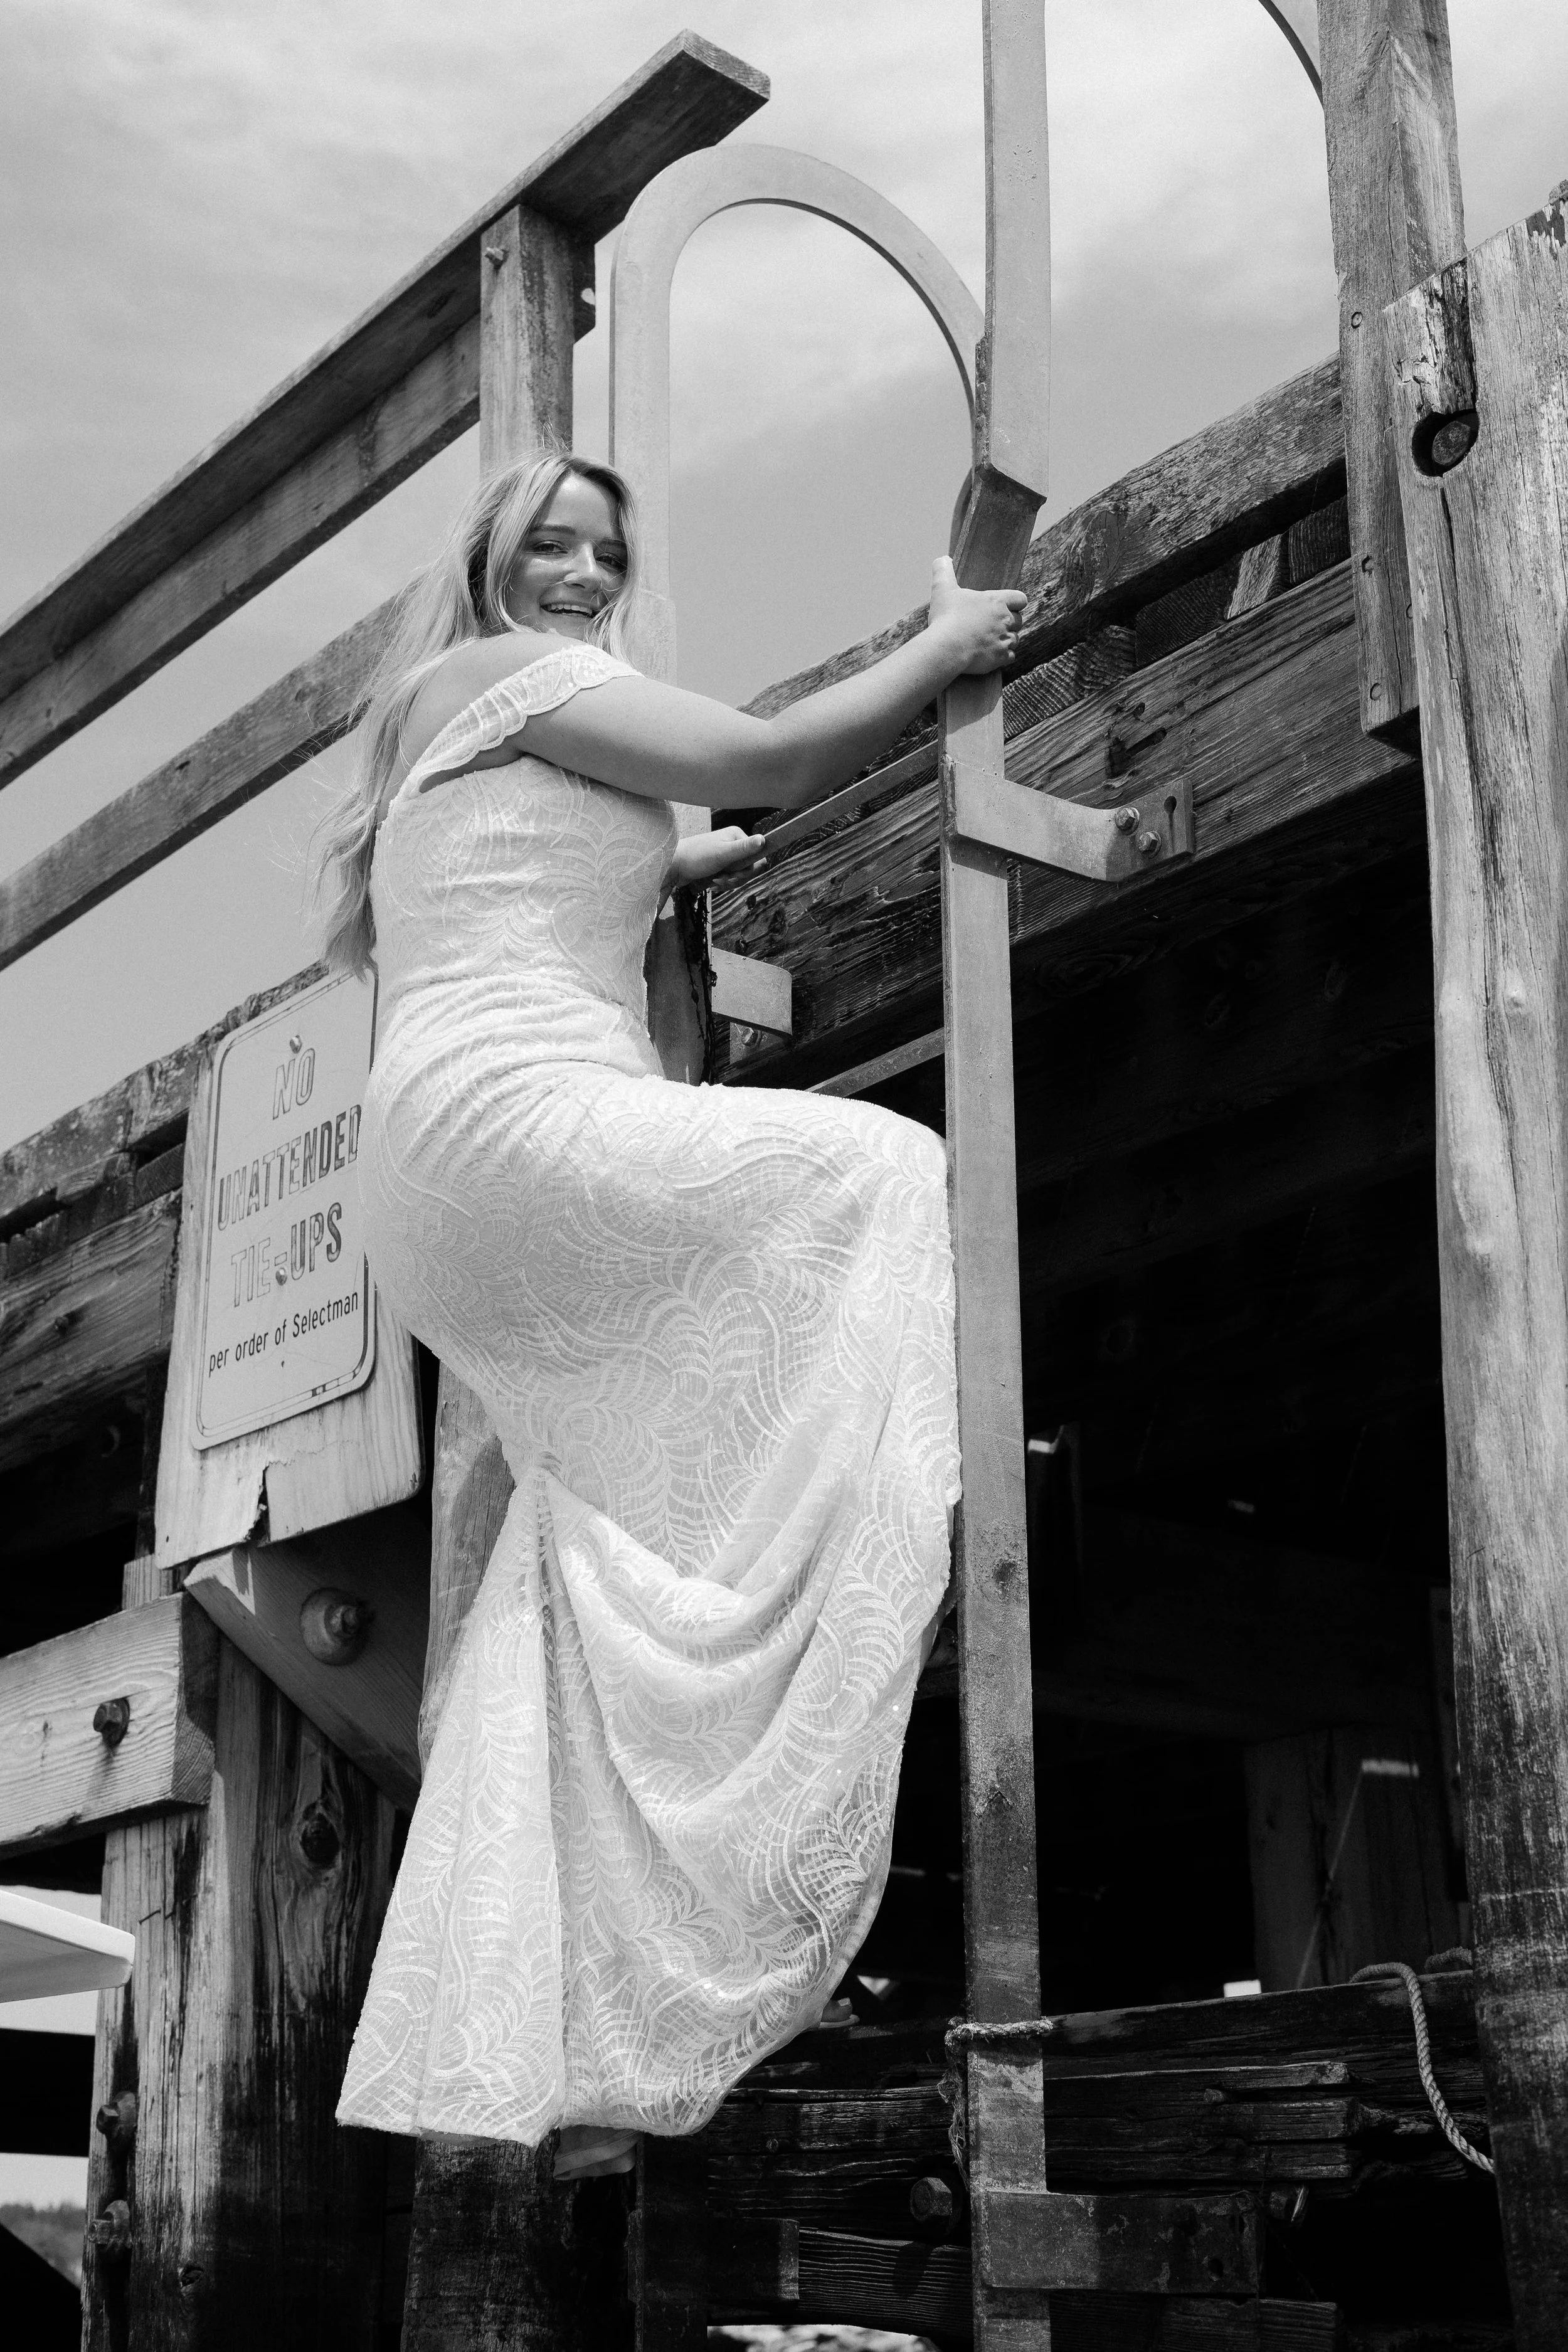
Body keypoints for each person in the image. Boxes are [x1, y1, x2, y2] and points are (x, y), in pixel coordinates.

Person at [321, 449, 1024, 2175]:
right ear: (486, 563)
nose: (578, 574)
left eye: (603, 554)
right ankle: (832, 1598)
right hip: (510, 1128)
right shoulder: (497, 673)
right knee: (874, 1173)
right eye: (546, 545)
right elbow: (772, 757)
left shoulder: (478, 739)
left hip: (446, 1185)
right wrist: (944, 643)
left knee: (593, 1547)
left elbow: (646, 842)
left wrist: (680, 860)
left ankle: (558, 2058)